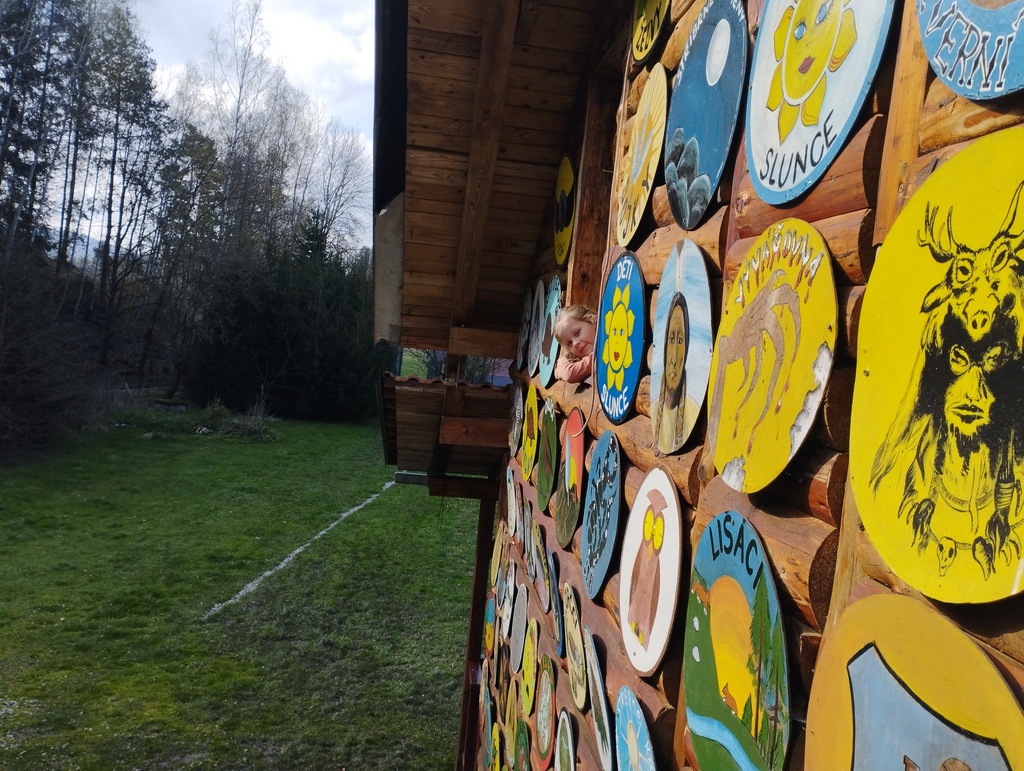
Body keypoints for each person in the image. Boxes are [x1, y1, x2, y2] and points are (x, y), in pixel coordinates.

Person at [553, 305, 596, 383]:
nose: (575, 343)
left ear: (594, 321)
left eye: (577, 333)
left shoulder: (602, 353)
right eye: (570, 343)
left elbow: (569, 374)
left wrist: (561, 361)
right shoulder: (589, 359)